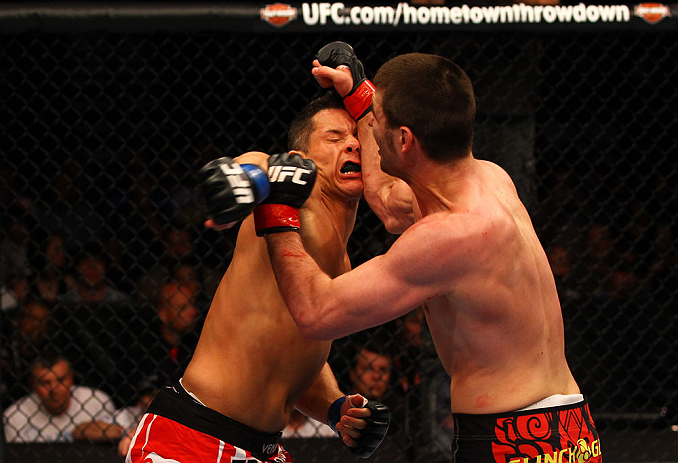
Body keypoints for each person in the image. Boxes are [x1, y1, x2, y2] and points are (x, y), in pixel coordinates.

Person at [257, 43, 602, 463]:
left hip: (512, 440)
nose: (367, 131)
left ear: (404, 139)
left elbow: (316, 313)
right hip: (570, 429)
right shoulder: (490, 179)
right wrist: (361, 96)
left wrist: (276, 209)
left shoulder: (448, 238)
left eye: (376, 122)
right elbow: (385, 198)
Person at [126, 92, 391, 463]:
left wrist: (336, 409)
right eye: (334, 137)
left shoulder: (341, 263)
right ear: (302, 159)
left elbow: (291, 357)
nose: (351, 144)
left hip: (262, 449)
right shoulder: (295, 198)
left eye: (356, 138)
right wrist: (239, 180)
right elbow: (258, 165)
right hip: (194, 438)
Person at [3, 350, 117, 443]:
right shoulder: (14, 417)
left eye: (61, 380)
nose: (54, 389)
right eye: (45, 383)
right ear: (33, 384)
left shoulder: (97, 402)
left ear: (71, 378)